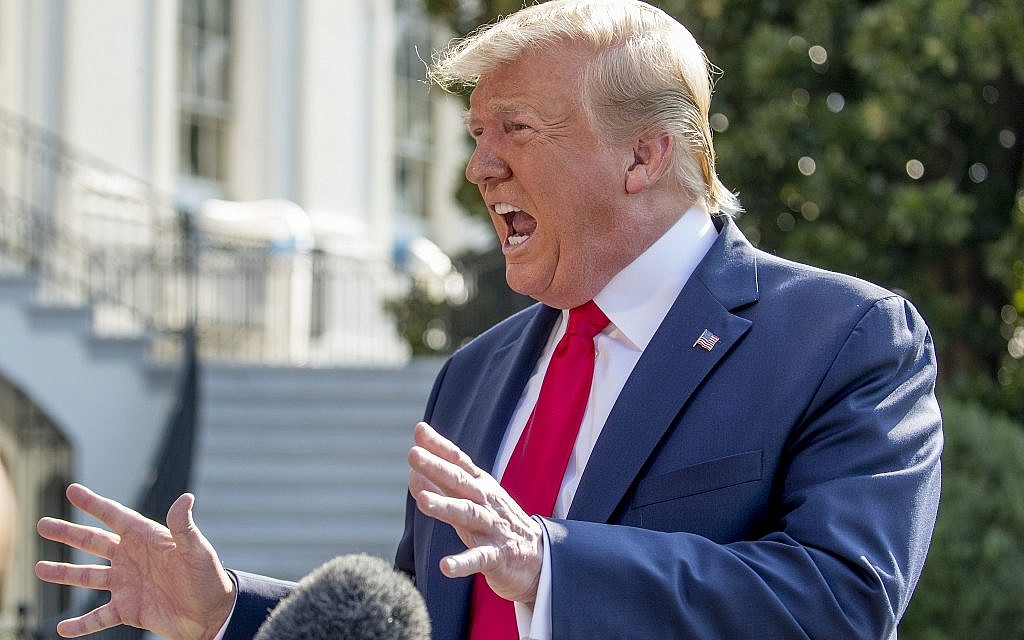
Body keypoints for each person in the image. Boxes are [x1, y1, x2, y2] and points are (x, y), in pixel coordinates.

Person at [35, 1, 942, 638]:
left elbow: (838, 603)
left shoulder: (844, 341)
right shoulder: (474, 374)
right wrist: (230, 608)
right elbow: (428, 617)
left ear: (643, 154)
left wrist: (552, 562)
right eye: (475, 133)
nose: (478, 167)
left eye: (514, 128)